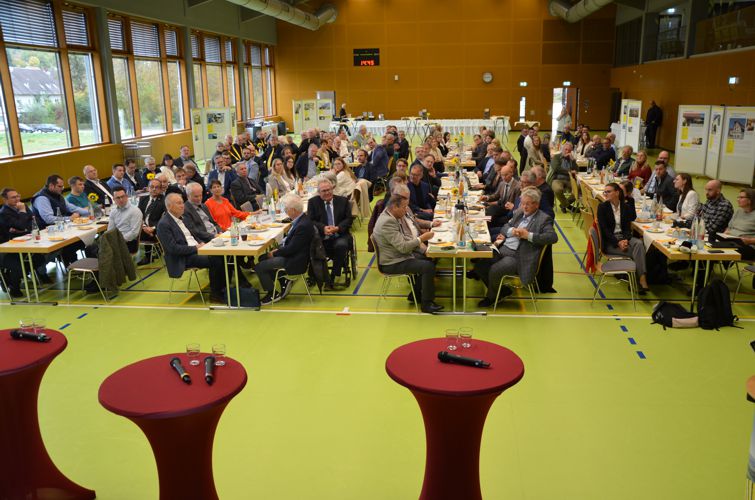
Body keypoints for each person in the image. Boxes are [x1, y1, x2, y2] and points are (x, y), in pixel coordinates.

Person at [474, 188, 558, 307]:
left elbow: (552, 237)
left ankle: (492, 297)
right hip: (503, 249)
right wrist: (511, 231)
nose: (524, 207)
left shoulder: (543, 219)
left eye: (528, 204)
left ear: (536, 204)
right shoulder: (519, 213)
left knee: (495, 270)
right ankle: (502, 291)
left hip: (519, 256)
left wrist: (528, 235)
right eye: (522, 203)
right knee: (480, 266)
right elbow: (505, 226)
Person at [372, 195, 442, 313]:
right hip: (392, 262)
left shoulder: (392, 215)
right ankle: (427, 304)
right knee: (428, 267)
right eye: (404, 207)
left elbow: (404, 239)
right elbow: (403, 247)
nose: (406, 210)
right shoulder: (387, 222)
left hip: (398, 254)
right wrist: (421, 239)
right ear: (394, 207)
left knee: (428, 259)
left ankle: (416, 294)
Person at [156, 193, 227, 303]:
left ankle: (224, 287)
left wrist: (202, 243)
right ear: (169, 206)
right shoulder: (164, 224)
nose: (182, 206)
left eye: (182, 203)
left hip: (196, 249)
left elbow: (193, 235)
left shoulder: (182, 219)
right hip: (183, 257)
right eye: (179, 203)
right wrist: (196, 248)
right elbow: (173, 249)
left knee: (223, 253)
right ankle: (215, 294)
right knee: (215, 259)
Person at [255, 193, 314, 305]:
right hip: (295, 254)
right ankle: (283, 280)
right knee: (262, 258)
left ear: (293, 210)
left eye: (286, 209)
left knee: (259, 267)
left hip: (295, 260)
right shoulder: (302, 220)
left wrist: (275, 253)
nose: (285, 211)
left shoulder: (302, 225)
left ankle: (272, 293)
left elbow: (291, 249)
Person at [596, 183, 650, 293]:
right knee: (637, 252)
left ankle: (640, 279)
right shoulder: (602, 207)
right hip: (610, 242)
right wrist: (618, 242)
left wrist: (625, 239)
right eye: (605, 192)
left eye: (608, 191)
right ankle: (640, 280)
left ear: (617, 193)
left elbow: (626, 228)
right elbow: (605, 231)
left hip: (623, 237)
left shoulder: (625, 207)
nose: (605, 194)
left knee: (639, 244)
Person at [0, 187, 49, 295]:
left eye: (18, 196)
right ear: (5, 200)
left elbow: (35, 222)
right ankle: (13, 287)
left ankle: (20, 275)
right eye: (13, 197)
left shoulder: (23, 206)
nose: (17, 199)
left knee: (39, 258)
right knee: (18, 265)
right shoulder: (4, 213)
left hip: (23, 242)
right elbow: (21, 225)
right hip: (7, 249)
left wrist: (23, 228)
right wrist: (23, 213)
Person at [307, 179, 353, 287]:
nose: (327, 192)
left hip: (340, 234)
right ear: (319, 192)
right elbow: (310, 220)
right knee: (311, 244)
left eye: (329, 189)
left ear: (332, 189)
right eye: (324, 191)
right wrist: (323, 228)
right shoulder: (313, 202)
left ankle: (334, 274)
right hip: (322, 236)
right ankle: (314, 274)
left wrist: (337, 228)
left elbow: (349, 219)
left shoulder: (343, 201)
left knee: (341, 245)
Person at [137, 179, 165, 265]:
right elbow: (139, 215)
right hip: (143, 227)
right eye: (152, 187)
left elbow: (164, 219)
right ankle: (151, 254)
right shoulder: (143, 199)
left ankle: (148, 256)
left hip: (156, 229)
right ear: (148, 188)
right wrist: (144, 227)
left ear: (161, 189)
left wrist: (153, 228)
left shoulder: (164, 201)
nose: (154, 189)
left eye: (157, 187)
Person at [108, 186, 142, 254]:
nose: (121, 200)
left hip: (129, 242)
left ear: (126, 196)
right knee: (91, 248)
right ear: (114, 199)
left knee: (103, 252)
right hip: (117, 240)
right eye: (118, 198)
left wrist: (119, 240)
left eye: (123, 196)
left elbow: (134, 233)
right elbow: (110, 230)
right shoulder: (113, 211)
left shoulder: (135, 211)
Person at [551, 142, 577, 213]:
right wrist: (569, 172)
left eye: (569, 150)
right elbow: (556, 168)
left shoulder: (571, 159)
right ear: (562, 149)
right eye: (566, 149)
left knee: (579, 190)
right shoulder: (556, 157)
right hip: (557, 179)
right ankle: (568, 206)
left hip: (569, 180)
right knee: (558, 189)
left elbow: (576, 170)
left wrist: (573, 161)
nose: (567, 151)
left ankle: (563, 205)